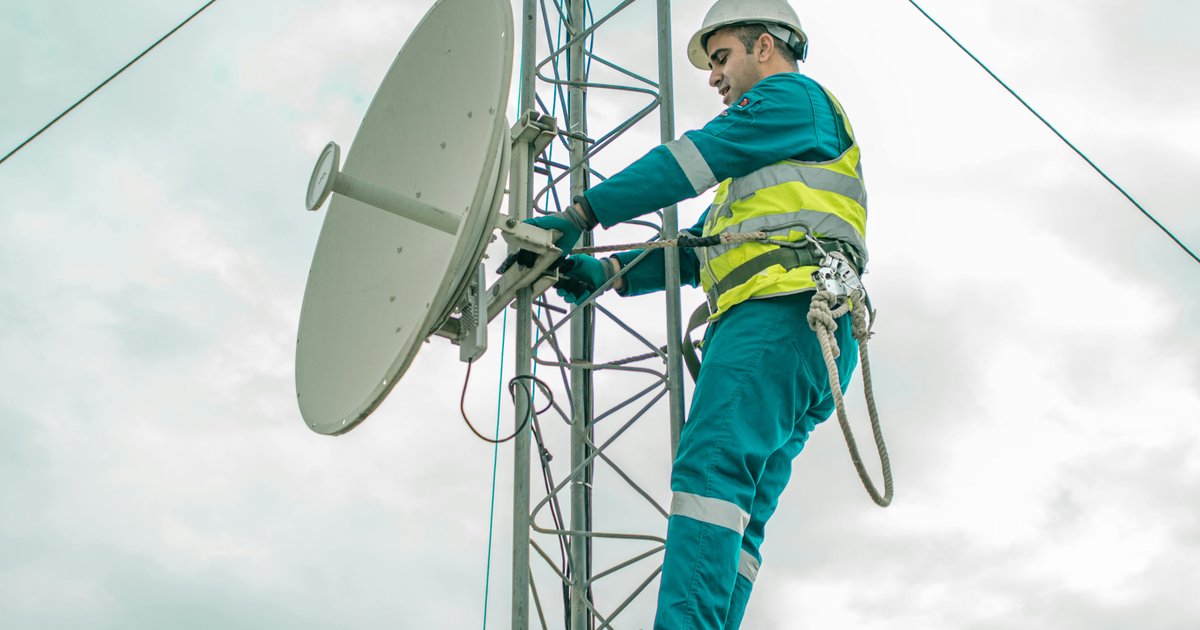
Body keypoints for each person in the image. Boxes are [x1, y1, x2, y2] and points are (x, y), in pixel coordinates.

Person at [526, 0, 869, 626]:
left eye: (722, 58)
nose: (714, 78)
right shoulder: (768, 168)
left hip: (778, 317)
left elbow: (688, 161)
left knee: (711, 470)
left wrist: (582, 215)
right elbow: (693, 250)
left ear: (764, 46)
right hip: (814, 336)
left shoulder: (791, 99)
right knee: (741, 512)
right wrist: (605, 273)